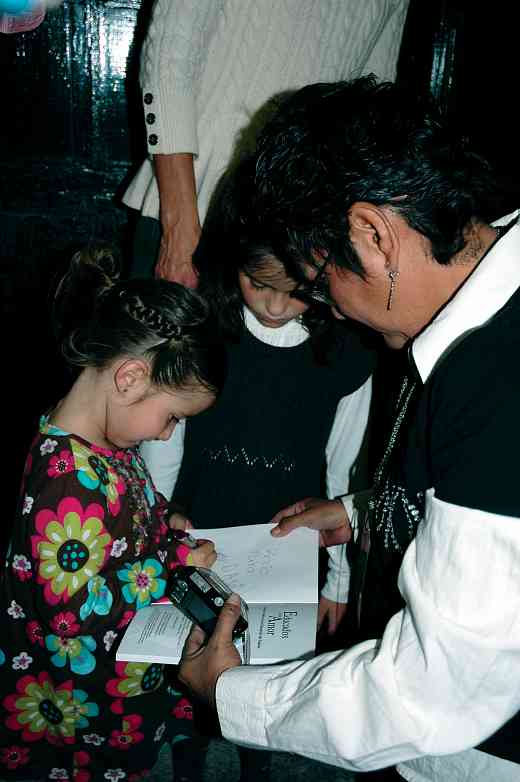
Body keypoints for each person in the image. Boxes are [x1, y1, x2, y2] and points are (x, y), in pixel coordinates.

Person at [176, 77, 520, 782]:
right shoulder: (490, 322)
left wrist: (230, 694)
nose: (325, 306)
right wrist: (363, 512)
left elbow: (431, 694)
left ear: (372, 234)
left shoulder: (496, 381)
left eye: (318, 279)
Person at [139, 160, 378, 780]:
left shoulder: (348, 351)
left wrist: (340, 581)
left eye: (296, 288)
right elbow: (167, 439)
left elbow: (345, 466)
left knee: (268, 686)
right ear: (232, 263)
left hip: (289, 547)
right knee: (189, 669)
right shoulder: (207, 329)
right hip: (201, 533)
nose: (274, 305)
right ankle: (188, 757)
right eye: (257, 282)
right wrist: (157, 514)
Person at [0, 247, 226, 780]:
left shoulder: (108, 447)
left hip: (119, 676)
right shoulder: (66, 480)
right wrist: (172, 565)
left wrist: (165, 523)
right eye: (171, 416)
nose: (168, 433)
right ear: (128, 378)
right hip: (83, 710)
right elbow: (72, 611)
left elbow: (130, 517)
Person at [122, 0, 410, 284]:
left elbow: (371, 105)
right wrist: (179, 227)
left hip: (304, 240)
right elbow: (168, 60)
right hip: (194, 214)